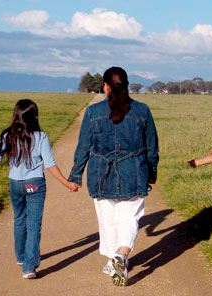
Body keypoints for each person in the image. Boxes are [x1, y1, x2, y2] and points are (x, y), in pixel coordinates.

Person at [68, 67, 159, 286]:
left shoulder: (92, 112)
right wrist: (151, 173)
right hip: (134, 172)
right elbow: (152, 148)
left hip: (101, 173)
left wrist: (76, 176)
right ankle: (121, 253)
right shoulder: (142, 110)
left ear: (105, 86)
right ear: (127, 86)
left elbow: (83, 147)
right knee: (129, 218)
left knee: (107, 219)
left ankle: (111, 260)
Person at [0, 99, 79, 279]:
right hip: (35, 184)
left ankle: (21, 257)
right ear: (35, 116)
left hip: (15, 184)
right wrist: (66, 183)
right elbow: (50, 165)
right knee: (33, 225)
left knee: (19, 219)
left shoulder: (7, 135)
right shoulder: (41, 137)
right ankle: (29, 267)